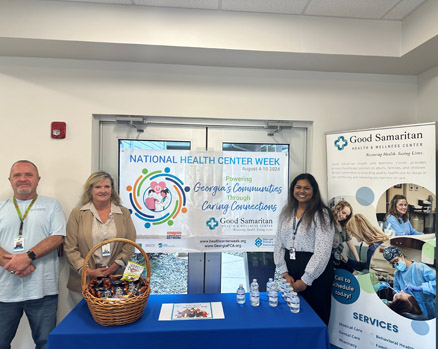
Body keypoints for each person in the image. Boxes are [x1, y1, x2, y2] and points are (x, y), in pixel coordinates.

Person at [0, 160, 66, 349]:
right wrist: (15, 265)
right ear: (10, 180)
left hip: (43, 291)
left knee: (45, 344)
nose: (23, 179)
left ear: (38, 179)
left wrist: (27, 257)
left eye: (28, 174)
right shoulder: (1, 207)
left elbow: (58, 237)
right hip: (4, 292)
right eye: (17, 175)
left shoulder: (52, 205)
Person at [64, 171, 136, 304]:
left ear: (112, 190)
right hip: (84, 283)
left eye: (107, 187)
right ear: (90, 190)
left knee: (112, 320)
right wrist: (89, 271)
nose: (103, 190)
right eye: (98, 187)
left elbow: (130, 243)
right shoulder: (78, 214)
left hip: (115, 280)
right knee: (84, 322)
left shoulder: (123, 213)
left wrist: (115, 265)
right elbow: (70, 247)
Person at [274, 173, 335, 325]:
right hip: (290, 270)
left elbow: (323, 251)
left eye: (307, 188)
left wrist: (306, 279)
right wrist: (284, 272)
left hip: (315, 274)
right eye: (298, 187)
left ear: (314, 191)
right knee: (288, 317)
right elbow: (278, 243)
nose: (302, 191)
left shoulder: (322, 214)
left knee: (314, 319)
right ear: (293, 190)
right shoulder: (286, 212)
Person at [383, 246, 436, 320]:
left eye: (396, 260)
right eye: (392, 263)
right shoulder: (397, 273)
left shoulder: (420, 268)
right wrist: (397, 294)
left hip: (429, 308)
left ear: (401, 255)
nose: (395, 264)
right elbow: (396, 288)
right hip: (410, 310)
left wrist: (421, 288)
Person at [331, 200, 360, 270]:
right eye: (343, 213)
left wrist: (358, 259)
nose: (344, 216)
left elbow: (350, 242)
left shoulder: (343, 226)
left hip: (338, 259)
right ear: (338, 208)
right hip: (330, 260)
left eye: (346, 216)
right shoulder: (329, 222)